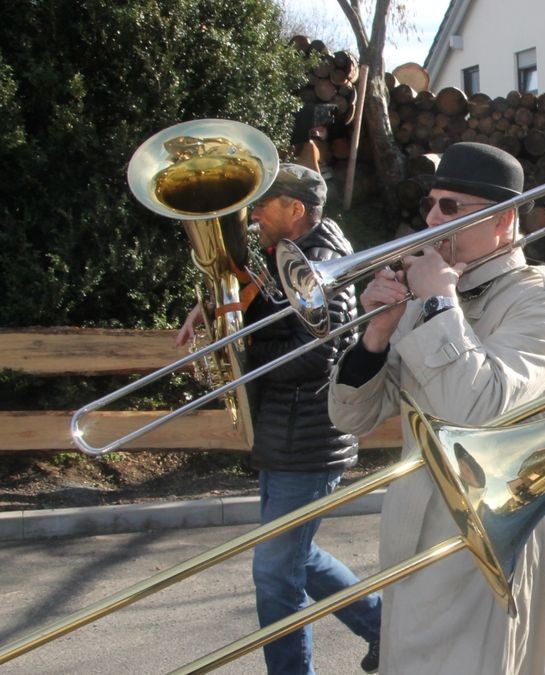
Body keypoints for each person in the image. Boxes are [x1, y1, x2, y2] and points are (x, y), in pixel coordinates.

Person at [327, 142, 545, 674]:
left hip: (488, 545)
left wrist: (439, 303)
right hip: (416, 536)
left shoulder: (539, 299)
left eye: (451, 207)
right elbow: (351, 418)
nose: (431, 219)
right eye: (431, 204)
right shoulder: (434, 296)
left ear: (504, 218)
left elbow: (478, 409)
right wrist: (376, 333)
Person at [176, 163, 381, 674]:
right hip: (283, 430)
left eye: (263, 204)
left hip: (310, 436)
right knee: (297, 560)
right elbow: (268, 306)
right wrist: (217, 308)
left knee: (274, 574)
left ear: (295, 210)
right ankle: (386, 628)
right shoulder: (286, 255)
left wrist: (241, 345)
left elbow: (319, 354)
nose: (253, 216)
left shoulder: (322, 261)